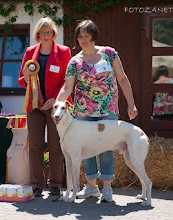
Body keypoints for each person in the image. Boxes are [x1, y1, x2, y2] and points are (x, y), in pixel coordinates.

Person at [56, 19, 138, 202]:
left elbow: (122, 79)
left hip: (108, 109)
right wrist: (57, 106)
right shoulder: (74, 62)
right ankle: (91, 187)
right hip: (83, 112)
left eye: (87, 36)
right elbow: (67, 88)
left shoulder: (110, 54)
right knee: (85, 149)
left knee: (107, 149)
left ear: (94, 36)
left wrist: (131, 104)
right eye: (80, 37)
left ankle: (107, 188)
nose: (83, 40)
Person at [18, 17, 72, 197]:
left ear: (54, 34)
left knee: (56, 146)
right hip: (34, 107)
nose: (46, 36)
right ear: (38, 35)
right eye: (43, 33)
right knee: (35, 146)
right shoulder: (30, 52)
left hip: (55, 107)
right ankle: (36, 185)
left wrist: (55, 100)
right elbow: (21, 79)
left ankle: (56, 184)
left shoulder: (64, 52)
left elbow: (67, 81)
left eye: (49, 32)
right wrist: (26, 77)